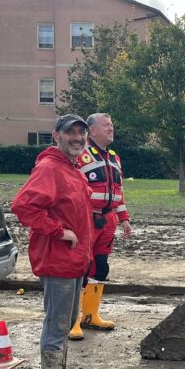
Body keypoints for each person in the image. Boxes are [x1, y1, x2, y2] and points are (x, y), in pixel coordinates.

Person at [11, 114, 93, 369]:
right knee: (57, 325)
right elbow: (22, 206)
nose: (77, 138)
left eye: (81, 133)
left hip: (73, 260)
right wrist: (59, 231)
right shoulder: (49, 169)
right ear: (55, 136)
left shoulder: (72, 169)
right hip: (57, 259)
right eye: (70, 132)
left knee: (67, 318)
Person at [68, 113, 132, 340]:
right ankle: (72, 321)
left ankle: (91, 315)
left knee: (100, 267)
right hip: (85, 220)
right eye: (106, 125)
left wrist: (123, 218)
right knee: (80, 268)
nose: (111, 128)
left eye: (112, 125)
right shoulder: (80, 154)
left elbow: (118, 191)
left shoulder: (114, 157)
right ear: (92, 130)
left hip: (107, 221)